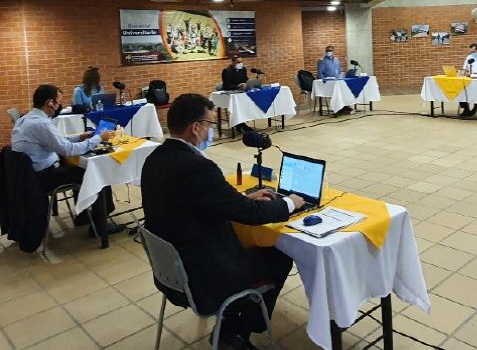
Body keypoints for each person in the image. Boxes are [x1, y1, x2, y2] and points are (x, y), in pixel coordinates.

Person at [141, 93, 305, 350]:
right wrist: (289, 203)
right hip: (204, 275)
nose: (211, 132)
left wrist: (242, 197)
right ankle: (235, 331)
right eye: (210, 125)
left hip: (172, 271)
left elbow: (199, 200)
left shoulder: (155, 159)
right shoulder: (197, 168)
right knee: (279, 252)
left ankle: (234, 322)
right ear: (196, 128)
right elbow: (252, 216)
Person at [12, 84, 121, 248]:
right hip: (43, 177)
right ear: (50, 103)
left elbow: (56, 142)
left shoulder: (26, 119)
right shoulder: (42, 124)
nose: (59, 106)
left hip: (32, 176)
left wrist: (81, 137)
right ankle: (100, 225)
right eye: (58, 102)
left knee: (80, 168)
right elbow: (68, 150)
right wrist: (99, 138)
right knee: (94, 173)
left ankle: (83, 215)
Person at [317, 45, 352, 115]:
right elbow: (320, 73)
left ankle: (344, 106)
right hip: (328, 82)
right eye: (327, 51)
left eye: (330, 51)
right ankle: (338, 108)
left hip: (337, 81)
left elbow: (340, 70)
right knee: (337, 92)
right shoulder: (322, 61)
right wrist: (323, 80)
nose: (328, 52)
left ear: (333, 52)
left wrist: (342, 75)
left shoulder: (336, 60)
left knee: (345, 89)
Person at [221, 55, 252, 132]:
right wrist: (237, 86)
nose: (240, 64)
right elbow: (226, 86)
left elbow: (246, 79)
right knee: (237, 105)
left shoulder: (243, 69)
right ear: (233, 62)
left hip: (242, 92)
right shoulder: (227, 71)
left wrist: (248, 83)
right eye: (238, 62)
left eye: (241, 62)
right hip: (232, 93)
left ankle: (240, 124)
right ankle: (242, 125)